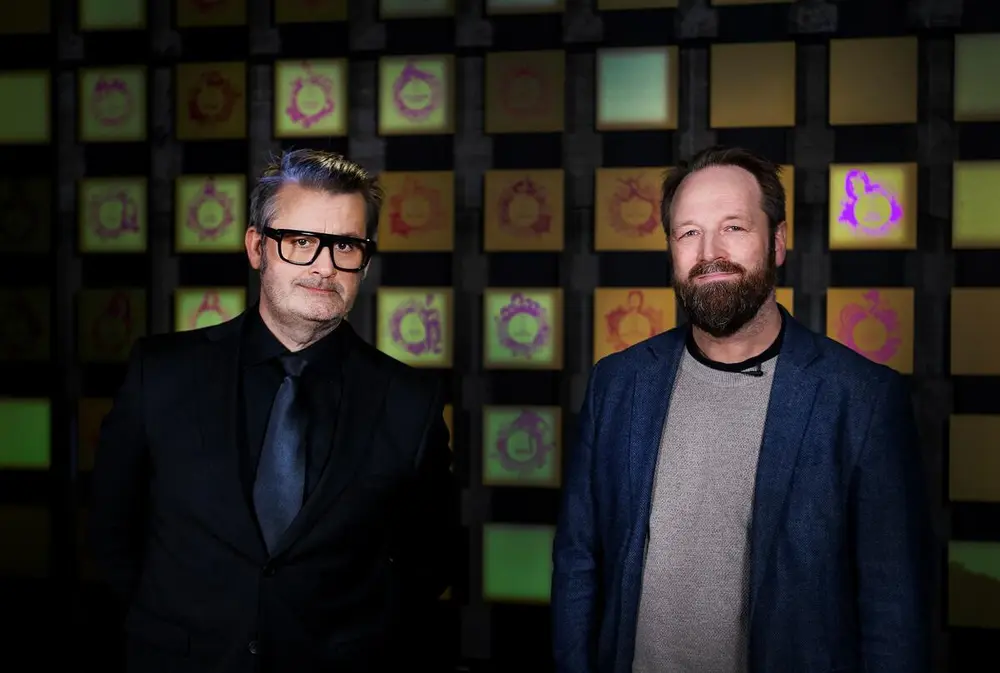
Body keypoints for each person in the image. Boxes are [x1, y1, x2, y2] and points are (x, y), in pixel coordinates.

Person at [552, 146, 932, 673]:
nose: (709, 252)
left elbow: (893, 607)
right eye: (689, 232)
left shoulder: (861, 399)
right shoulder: (617, 384)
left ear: (776, 241)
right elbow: (578, 560)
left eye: (733, 227)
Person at [89, 149, 460, 673]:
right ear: (256, 247)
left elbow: (431, 561)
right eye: (301, 241)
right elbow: (111, 528)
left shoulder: (409, 401)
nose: (325, 267)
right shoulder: (162, 373)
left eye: (345, 245)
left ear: (365, 261)